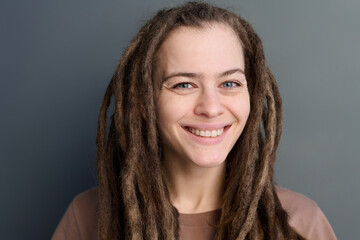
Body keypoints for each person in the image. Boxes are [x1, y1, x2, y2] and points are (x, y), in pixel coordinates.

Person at [52, 2, 337, 240]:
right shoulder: (88, 217)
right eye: (184, 85)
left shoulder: (301, 223)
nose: (211, 108)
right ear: (144, 100)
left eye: (229, 83)